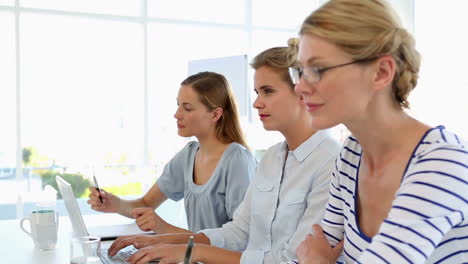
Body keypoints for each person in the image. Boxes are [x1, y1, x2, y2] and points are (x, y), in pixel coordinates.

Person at [106, 39, 342, 264]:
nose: (257, 103)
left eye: (267, 91)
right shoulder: (271, 158)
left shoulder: (331, 163)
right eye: (257, 92)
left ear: (303, 91)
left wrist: (192, 251)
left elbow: (290, 260)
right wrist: (161, 242)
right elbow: (237, 231)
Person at [288, 0, 468, 263]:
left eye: (318, 70)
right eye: (301, 71)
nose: (300, 87)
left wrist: (317, 261)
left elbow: (316, 256)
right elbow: (315, 247)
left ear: (381, 72)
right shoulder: (351, 153)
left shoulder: (443, 162)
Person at [87, 71, 257, 234]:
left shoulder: (237, 160)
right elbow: (146, 203)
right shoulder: (189, 155)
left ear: (215, 114)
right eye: (178, 105)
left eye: (188, 108)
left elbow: (240, 239)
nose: (177, 115)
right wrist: (115, 204)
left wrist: (163, 228)